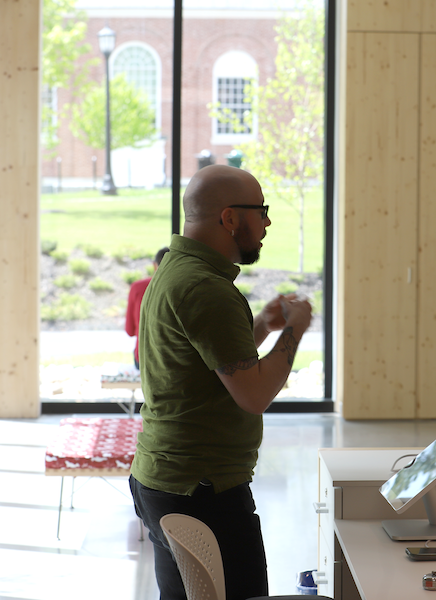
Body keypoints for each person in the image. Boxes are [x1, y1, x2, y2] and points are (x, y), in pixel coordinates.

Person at [129, 165, 313, 600]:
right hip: (203, 491)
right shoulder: (207, 288)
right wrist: (295, 330)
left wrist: (264, 328)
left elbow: (209, 367)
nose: (267, 222)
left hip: (165, 480)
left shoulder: (176, 268)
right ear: (230, 218)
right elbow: (253, 394)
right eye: (261, 211)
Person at [124, 246, 169, 369]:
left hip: (144, 356)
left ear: (155, 265)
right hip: (173, 359)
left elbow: (130, 330)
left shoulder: (137, 288)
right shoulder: (184, 288)